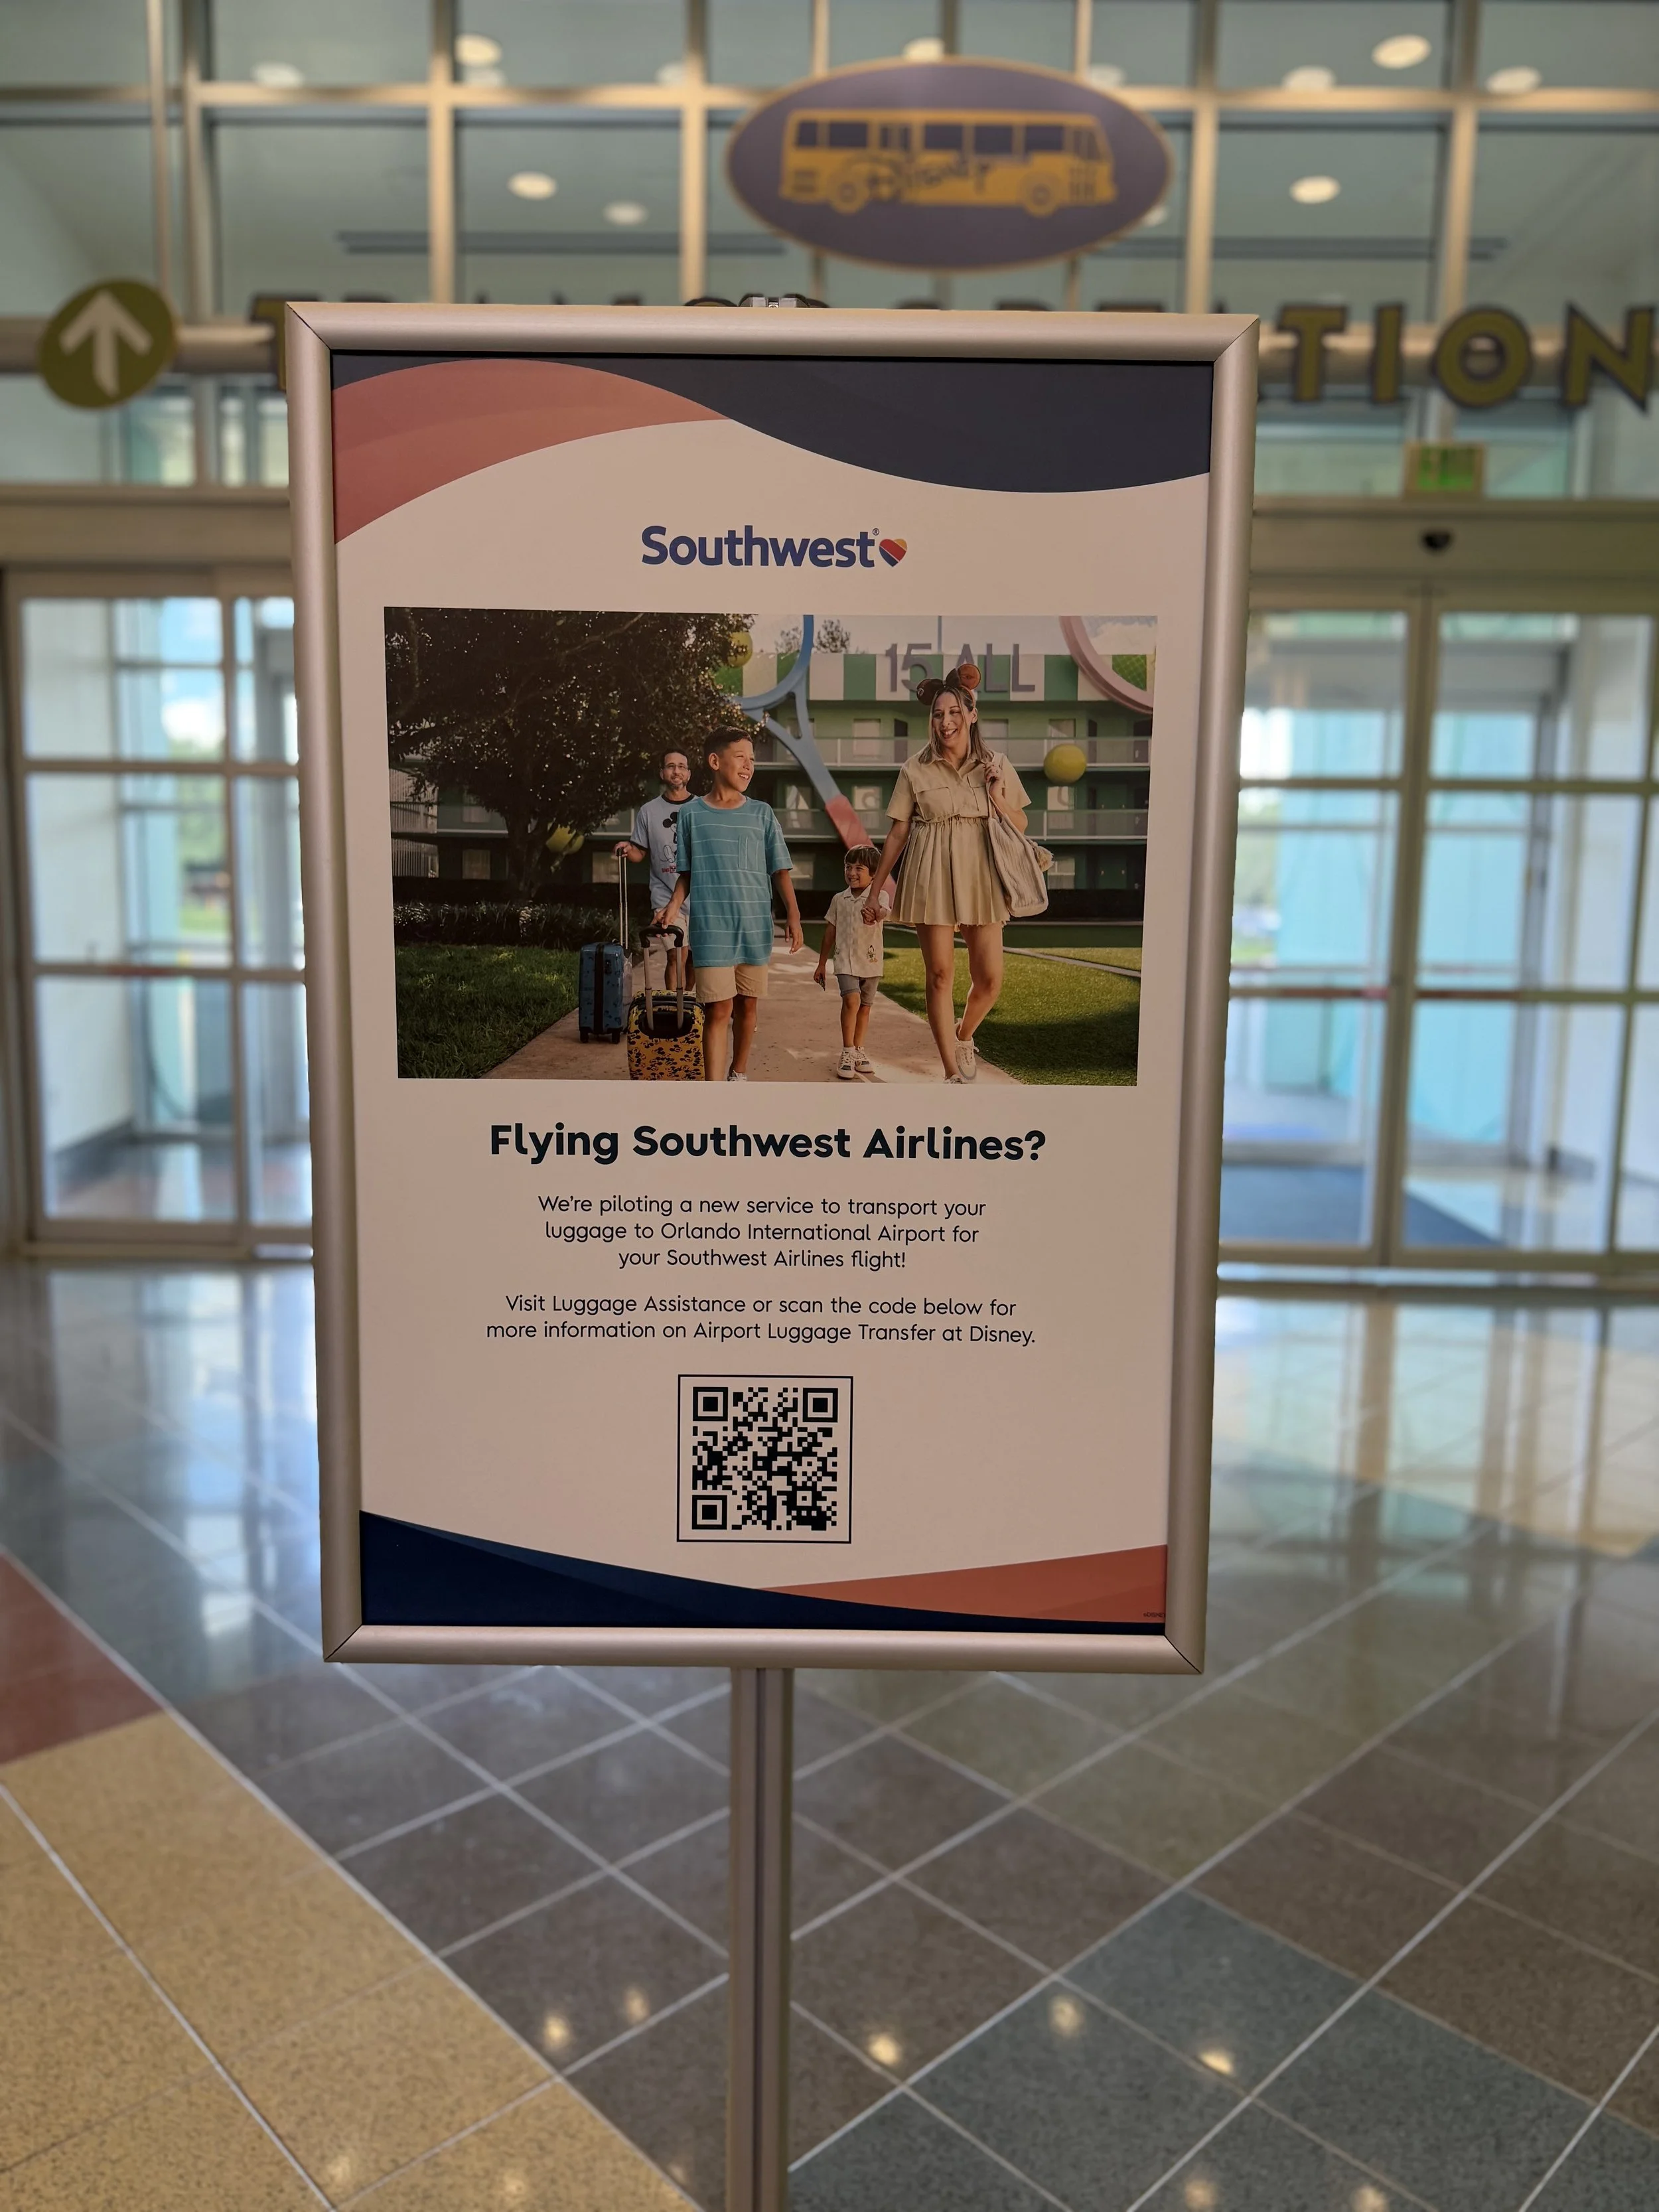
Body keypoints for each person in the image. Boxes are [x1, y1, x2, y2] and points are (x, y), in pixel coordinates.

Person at [861, 664, 1030, 1084]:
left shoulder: (997, 764)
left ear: (972, 715)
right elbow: (898, 831)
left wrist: (995, 795)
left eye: (954, 712)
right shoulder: (914, 768)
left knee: (990, 980)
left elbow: (1021, 825)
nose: (946, 722)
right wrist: (874, 890)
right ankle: (952, 1071)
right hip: (930, 870)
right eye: (938, 714)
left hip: (982, 873)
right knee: (938, 975)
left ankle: (964, 1034)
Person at [658, 731, 803, 1082]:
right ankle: (714, 1089)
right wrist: (673, 906)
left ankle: (738, 1074)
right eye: (741, 757)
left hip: (754, 926)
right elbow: (687, 872)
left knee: (747, 1004)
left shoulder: (762, 813)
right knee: (717, 1008)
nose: (748, 766)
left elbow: (780, 869)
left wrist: (794, 916)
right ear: (715, 762)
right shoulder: (691, 814)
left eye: (752, 760)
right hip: (712, 928)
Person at [615, 746, 694, 992]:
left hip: (700, 896)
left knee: (694, 960)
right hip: (665, 896)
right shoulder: (649, 811)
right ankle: (674, 1009)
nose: (676, 771)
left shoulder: (702, 807)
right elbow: (640, 853)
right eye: (671, 766)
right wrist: (629, 849)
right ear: (662, 773)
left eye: (681, 766)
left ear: (689, 774)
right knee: (676, 955)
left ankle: (688, 1006)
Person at [815, 846, 889, 1078]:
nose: (852, 872)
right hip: (845, 961)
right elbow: (830, 932)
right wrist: (821, 964)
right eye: (848, 867)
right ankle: (847, 1051)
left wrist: (876, 914)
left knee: (865, 1008)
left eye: (859, 868)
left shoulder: (880, 896)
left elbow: (884, 912)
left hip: (871, 962)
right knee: (852, 1001)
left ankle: (858, 1050)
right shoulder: (840, 899)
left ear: (874, 874)